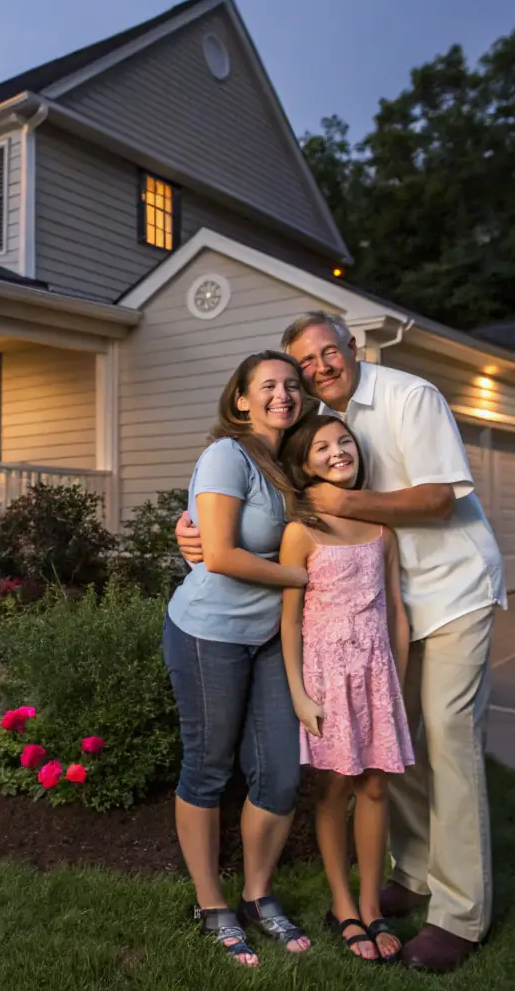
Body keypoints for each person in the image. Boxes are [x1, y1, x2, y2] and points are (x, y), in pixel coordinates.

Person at [176, 311, 505, 973]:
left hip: (449, 593)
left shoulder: (408, 397)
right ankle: (412, 873)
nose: (318, 368)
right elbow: (263, 511)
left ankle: (460, 912)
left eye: (330, 352)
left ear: (351, 348)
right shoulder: (308, 429)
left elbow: (438, 499)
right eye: (305, 363)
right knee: (397, 749)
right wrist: (194, 538)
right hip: (377, 615)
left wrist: (341, 505)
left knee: (446, 742)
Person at [163, 350, 314, 968]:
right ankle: (210, 901)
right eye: (269, 385)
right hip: (209, 632)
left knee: (279, 774)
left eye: (293, 384)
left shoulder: (294, 462)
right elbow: (220, 555)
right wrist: (303, 578)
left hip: (271, 636)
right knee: (208, 768)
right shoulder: (227, 454)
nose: (285, 394)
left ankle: (257, 893)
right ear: (241, 400)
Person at [279, 414, 414, 964]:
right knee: (335, 789)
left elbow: (397, 613)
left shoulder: (382, 529)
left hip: (377, 675)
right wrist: (298, 693)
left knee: (376, 789)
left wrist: (397, 688)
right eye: (322, 447)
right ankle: (342, 904)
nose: (338, 451)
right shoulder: (301, 531)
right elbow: (289, 621)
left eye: (344, 441)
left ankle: (369, 903)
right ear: (305, 465)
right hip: (326, 679)